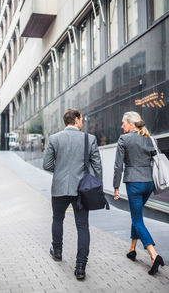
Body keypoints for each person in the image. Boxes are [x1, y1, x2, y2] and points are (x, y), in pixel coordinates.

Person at [43, 108, 102, 280]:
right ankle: (81, 266)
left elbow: (47, 165)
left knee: (57, 219)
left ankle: (58, 252)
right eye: (81, 119)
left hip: (59, 188)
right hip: (81, 190)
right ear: (76, 120)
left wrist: (60, 172)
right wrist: (97, 187)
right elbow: (97, 166)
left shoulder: (54, 138)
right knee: (82, 226)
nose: (83, 122)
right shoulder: (89, 139)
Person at [113, 111, 165, 275]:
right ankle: (132, 249)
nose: (122, 126)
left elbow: (118, 166)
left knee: (137, 219)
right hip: (149, 183)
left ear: (131, 123)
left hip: (134, 184)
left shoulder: (124, 139)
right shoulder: (149, 138)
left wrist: (115, 187)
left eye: (123, 123)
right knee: (137, 216)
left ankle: (153, 254)